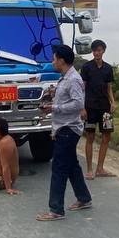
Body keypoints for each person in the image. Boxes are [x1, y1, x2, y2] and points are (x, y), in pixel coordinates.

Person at [36, 44, 92, 222]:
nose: (52, 62)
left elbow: (78, 104)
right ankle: (84, 198)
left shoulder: (73, 79)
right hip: (64, 127)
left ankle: (56, 209)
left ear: (61, 60)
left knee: (59, 168)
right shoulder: (65, 78)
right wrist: (53, 95)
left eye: (54, 59)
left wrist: (54, 107)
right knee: (72, 165)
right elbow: (68, 99)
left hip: (69, 129)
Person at [80, 39, 117, 179]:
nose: (97, 53)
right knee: (90, 136)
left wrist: (113, 102)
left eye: (99, 50)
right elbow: (82, 88)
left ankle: (100, 168)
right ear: (92, 51)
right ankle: (89, 169)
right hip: (90, 107)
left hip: (105, 108)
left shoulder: (108, 68)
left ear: (103, 51)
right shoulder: (86, 67)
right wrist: (82, 107)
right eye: (95, 50)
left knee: (107, 136)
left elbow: (109, 88)